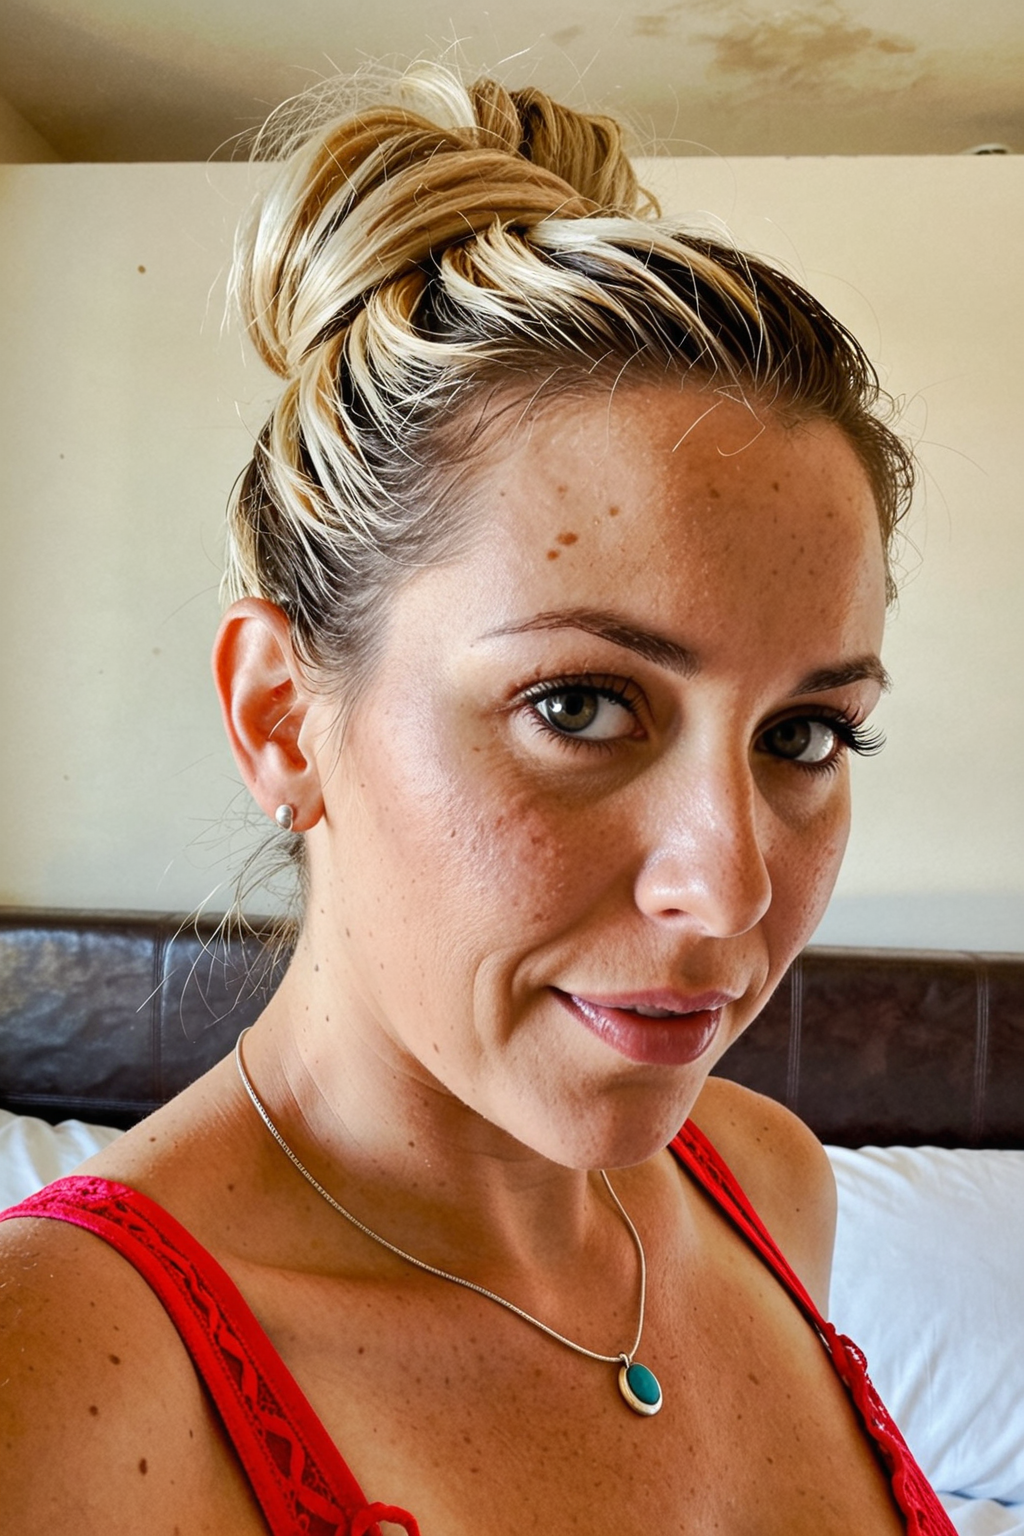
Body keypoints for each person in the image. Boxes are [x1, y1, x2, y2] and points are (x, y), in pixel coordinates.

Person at [0, 63, 953, 1536]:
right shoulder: (62, 1384)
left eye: (806, 733)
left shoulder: (766, 1187)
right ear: (281, 715)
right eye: (579, 706)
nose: (730, 887)